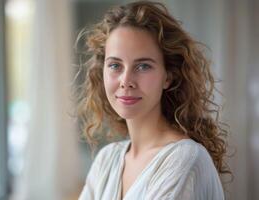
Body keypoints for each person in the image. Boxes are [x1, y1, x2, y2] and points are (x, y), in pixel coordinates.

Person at [76, 1, 231, 200]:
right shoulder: (107, 160)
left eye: (143, 66)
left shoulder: (184, 159)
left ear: (168, 77)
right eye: (115, 65)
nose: (126, 81)